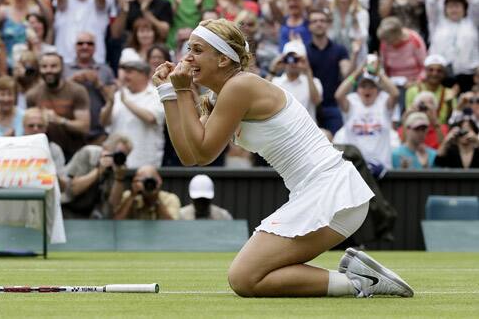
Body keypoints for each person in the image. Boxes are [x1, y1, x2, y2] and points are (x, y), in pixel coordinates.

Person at [153, 18, 413, 297]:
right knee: (246, 278)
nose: (187, 56)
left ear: (222, 60)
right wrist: (168, 92)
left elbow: (202, 153)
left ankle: (360, 283)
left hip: (330, 192)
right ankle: (358, 279)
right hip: (318, 193)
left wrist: (181, 90)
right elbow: (189, 155)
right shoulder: (225, 96)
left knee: (244, 278)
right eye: (187, 48)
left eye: (197, 49)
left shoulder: (241, 86)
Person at [335, 62, 400, 178]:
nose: (367, 90)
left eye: (371, 86)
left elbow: (395, 93)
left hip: (382, 168)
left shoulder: (383, 102)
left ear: (378, 90)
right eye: (363, 86)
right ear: (357, 89)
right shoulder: (352, 102)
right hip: (356, 168)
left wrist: (379, 73)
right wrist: (357, 72)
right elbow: (338, 95)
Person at [100, 54, 165, 168]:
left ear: (143, 75)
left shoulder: (156, 94)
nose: (125, 76)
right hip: (117, 162)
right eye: (125, 72)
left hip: (145, 162)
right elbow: (104, 122)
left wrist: (126, 102)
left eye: (130, 72)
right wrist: (110, 104)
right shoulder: (118, 95)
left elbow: (151, 118)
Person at [25, 52, 90, 161]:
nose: (49, 70)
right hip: (45, 154)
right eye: (44, 67)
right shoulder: (32, 95)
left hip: (74, 153)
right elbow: (29, 128)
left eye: (53, 66)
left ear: (62, 68)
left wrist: (59, 120)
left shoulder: (77, 91)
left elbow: (84, 127)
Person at [61, 134, 133, 219]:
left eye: (123, 156)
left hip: (94, 216)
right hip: (68, 209)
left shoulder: (120, 169)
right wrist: (99, 170)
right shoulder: (88, 153)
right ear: (106, 148)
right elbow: (73, 189)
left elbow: (112, 206)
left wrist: (119, 178)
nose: (118, 158)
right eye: (117, 153)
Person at [267, 40, 322, 121]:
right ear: (283, 59)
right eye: (288, 58)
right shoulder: (275, 82)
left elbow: (316, 101)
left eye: (296, 59)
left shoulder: (314, 82)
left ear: (304, 60)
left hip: (306, 130)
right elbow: (261, 96)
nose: (292, 62)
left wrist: (308, 71)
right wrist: (273, 70)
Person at [113, 164, 180, 220]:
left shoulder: (170, 199)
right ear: (135, 181)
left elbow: (171, 227)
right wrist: (132, 196)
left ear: (159, 181)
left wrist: (156, 200)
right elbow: (117, 223)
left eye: (151, 181)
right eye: (143, 181)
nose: (148, 184)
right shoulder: (129, 196)